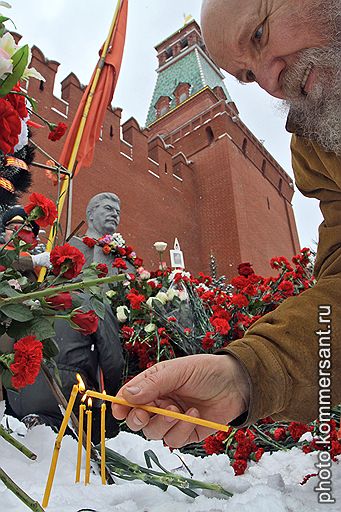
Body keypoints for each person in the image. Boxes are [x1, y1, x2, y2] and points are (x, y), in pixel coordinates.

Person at [112, 0, 341, 448]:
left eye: (257, 35)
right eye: (249, 76)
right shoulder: (319, 151)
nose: (271, 82)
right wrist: (243, 373)